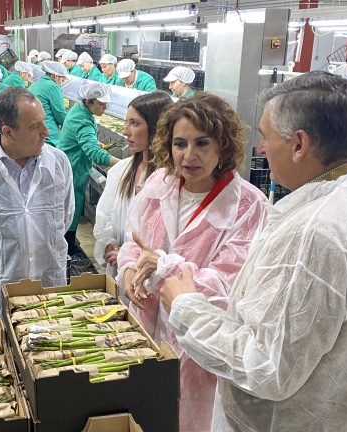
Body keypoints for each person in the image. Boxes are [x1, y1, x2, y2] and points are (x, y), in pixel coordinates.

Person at [159, 71, 347, 432]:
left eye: (266, 137)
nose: (261, 149)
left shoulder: (317, 232)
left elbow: (266, 366)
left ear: (299, 144)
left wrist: (186, 307)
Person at [116, 93, 267, 432]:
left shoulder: (247, 206)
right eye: (179, 143)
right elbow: (133, 242)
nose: (189, 155)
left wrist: (165, 267)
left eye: (202, 143)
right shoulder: (160, 184)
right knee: (146, 417)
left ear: (223, 146)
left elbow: (228, 286)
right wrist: (127, 271)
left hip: (199, 346)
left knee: (190, 422)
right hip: (145, 334)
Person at [0, 87, 74, 318]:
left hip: (48, 286)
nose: (46, 132)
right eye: (34, 127)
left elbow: (64, 218)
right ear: (8, 132)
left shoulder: (58, 163)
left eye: (43, 122)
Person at [93, 92, 173, 285]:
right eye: (127, 122)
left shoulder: (170, 182)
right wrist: (109, 246)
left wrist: (130, 256)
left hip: (150, 282)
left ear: (157, 128)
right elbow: (104, 215)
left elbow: (168, 239)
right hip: (118, 275)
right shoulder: (121, 171)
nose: (125, 131)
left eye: (135, 123)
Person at [58, 82, 120, 256]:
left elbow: (85, 141)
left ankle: (67, 247)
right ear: (89, 101)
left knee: (68, 210)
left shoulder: (79, 111)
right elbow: (94, 154)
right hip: (74, 170)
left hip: (70, 165)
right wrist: (125, 164)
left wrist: (93, 141)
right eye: (101, 103)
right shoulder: (83, 120)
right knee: (72, 211)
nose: (105, 107)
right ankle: (68, 251)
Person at [28, 60, 68, 147]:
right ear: (55, 76)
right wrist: (72, 128)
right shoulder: (52, 86)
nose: (61, 83)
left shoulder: (35, 84)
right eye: (62, 80)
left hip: (32, 131)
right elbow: (60, 113)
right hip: (48, 133)